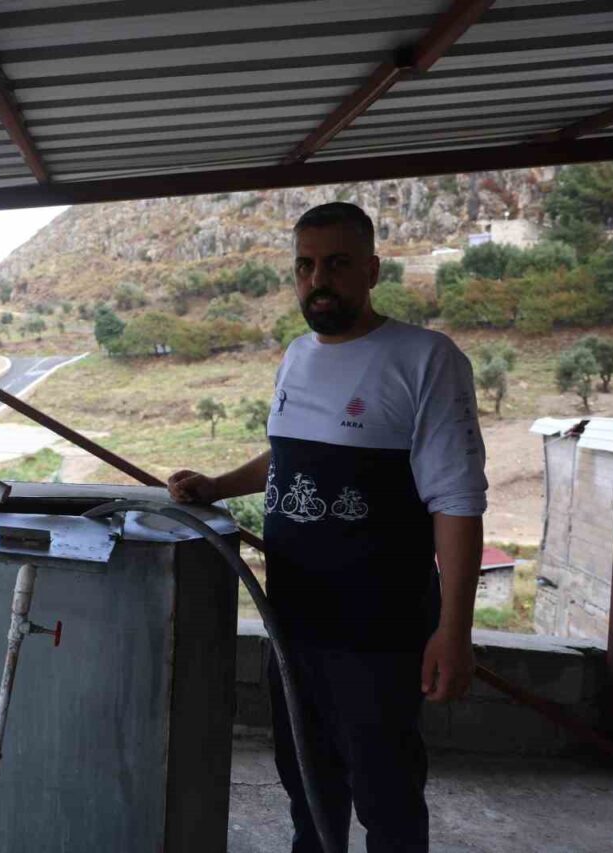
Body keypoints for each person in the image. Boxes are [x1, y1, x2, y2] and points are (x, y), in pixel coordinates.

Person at [169, 202, 486, 853]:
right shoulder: (297, 356)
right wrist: (218, 485)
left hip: (380, 632)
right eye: (306, 266)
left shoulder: (425, 359)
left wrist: (455, 629)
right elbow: (288, 456)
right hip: (294, 625)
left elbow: (457, 501)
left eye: (337, 264)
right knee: (307, 786)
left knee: (387, 794)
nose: (319, 280)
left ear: (372, 269)